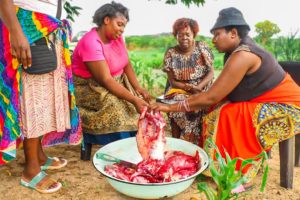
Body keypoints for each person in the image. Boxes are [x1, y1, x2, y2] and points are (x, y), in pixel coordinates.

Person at [150, 7, 300, 190]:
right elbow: (217, 93)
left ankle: (238, 173)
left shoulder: (243, 55)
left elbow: (211, 96)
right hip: (269, 101)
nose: (213, 40)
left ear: (233, 33)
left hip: (290, 108)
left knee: (232, 114)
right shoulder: (236, 52)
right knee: (217, 110)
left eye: (217, 34)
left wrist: (170, 108)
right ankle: (220, 164)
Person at [0, 0, 82, 193]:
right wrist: (16, 32)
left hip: (46, 27)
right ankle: (31, 170)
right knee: (33, 97)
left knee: (44, 97)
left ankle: (39, 156)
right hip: (27, 27)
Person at [72, 2, 151, 145]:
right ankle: (120, 147)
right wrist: (133, 99)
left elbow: (126, 63)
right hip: (91, 89)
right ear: (106, 20)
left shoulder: (117, 38)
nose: (122, 30)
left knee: (142, 104)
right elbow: (106, 80)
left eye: (124, 26)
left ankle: (137, 144)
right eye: (119, 24)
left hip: (117, 82)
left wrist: (138, 88)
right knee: (117, 107)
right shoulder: (91, 42)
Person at [162, 18, 214, 144]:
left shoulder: (202, 47)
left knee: (200, 104)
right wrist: (190, 88)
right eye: (180, 35)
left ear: (193, 35)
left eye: (187, 34)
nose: (184, 38)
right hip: (179, 88)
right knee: (180, 104)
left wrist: (199, 87)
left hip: (202, 86)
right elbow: (173, 81)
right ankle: (178, 141)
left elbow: (211, 72)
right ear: (176, 36)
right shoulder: (171, 53)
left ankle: (194, 142)